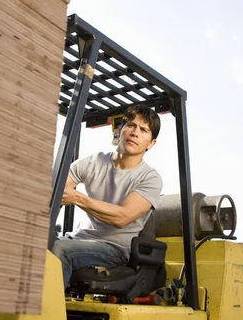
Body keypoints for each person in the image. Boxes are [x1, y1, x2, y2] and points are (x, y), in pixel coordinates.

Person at [52, 103, 163, 288]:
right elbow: (57, 189)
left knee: (58, 250)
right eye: (131, 125)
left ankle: (46, 315)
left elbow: (122, 217)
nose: (135, 132)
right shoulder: (95, 161)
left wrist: (78, 198)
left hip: (113, 249)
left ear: (151, 143)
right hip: (78, 238)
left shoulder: (150, 178)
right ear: (120, 130)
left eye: (144, 130)